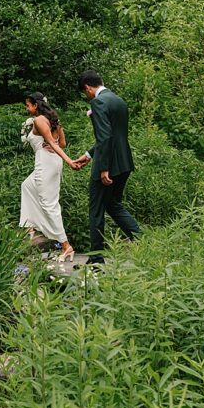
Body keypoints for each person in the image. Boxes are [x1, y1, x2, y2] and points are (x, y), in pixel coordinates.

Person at [72, 70, 141, 264]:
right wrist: (88, 155)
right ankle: (142, 238)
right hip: (124, 162)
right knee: (113, 203)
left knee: (96, 209)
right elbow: (114, 136)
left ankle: (96, 259)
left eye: (85, 93)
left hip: (109, 165)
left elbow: (105, 137)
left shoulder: (98, 102)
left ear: (87, 87)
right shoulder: (118, 100)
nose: (87, 97)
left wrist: (103, 168)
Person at [19, 92, 78, 262]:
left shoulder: (39, 120)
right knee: (27, 186)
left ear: (36, 105)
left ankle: (66, 246)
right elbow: (63, 143)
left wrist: (70, 162)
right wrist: (52, 141)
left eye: (28, 105)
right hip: (51, 161)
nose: (27, 108)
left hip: (45, 162)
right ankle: (29, 226)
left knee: (49, 203)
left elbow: (53, 143)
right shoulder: (53, 120)